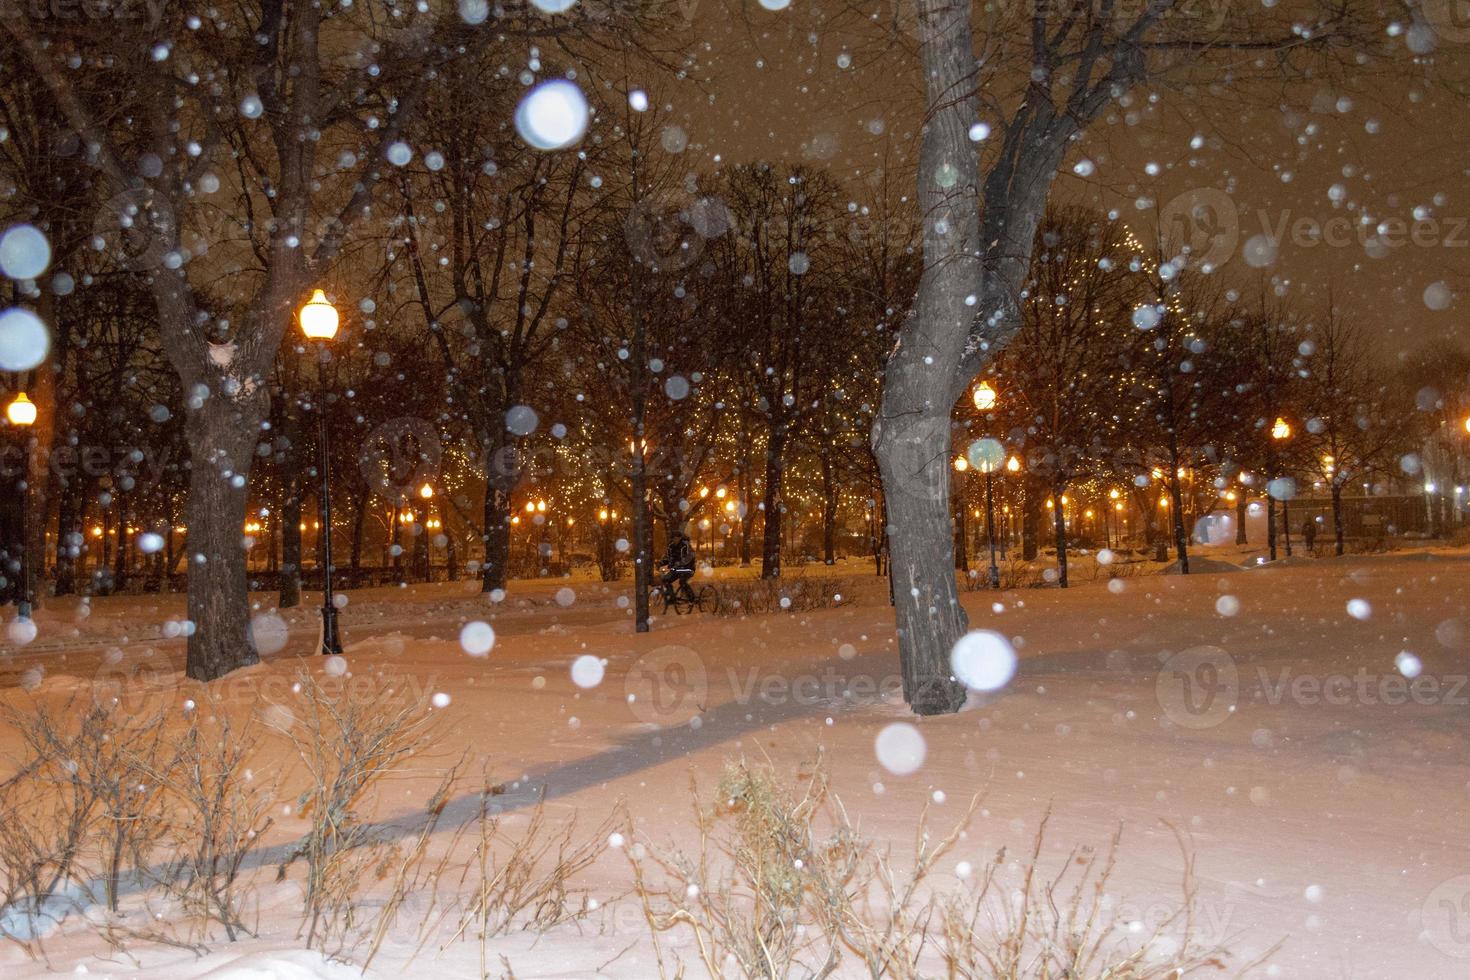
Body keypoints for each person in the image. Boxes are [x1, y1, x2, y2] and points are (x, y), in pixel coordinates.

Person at [659, 529, 697, 603]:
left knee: (682, 581)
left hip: (687, 569)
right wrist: (661, 563)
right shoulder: (671, 547)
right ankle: (672, 598)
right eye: (673, 538)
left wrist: (680, 563)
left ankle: (692, 598)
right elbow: (668, 558)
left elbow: (690, 557)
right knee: (665, 580)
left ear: (680, 538)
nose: (675, 540)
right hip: (676, 569)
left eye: (676, 538)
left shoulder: (685, 545)